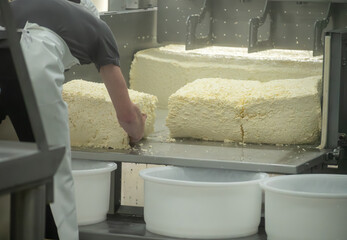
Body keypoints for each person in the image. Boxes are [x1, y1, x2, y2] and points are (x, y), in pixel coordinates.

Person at [0, 0, 147, 239]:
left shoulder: (25, 4)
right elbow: (127, 116)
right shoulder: (99, 30)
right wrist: (138, 127)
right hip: (33, 59)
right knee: (55, 170)